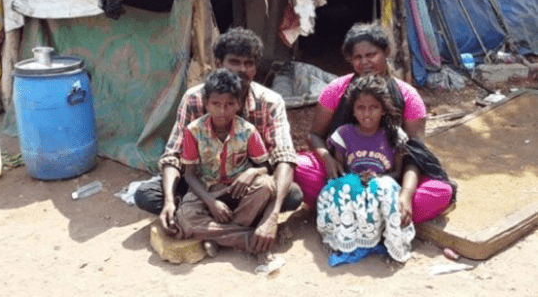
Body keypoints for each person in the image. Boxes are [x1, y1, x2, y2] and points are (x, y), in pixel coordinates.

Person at [134, 27, 303, 254]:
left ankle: (210, 231)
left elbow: (283, 158)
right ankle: (242, 234)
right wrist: (169, 202)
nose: (242, 70)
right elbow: (174, 155)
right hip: (203, 184)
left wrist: (272, 215)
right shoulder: (195, 98)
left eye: (249, 63)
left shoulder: (270, 102)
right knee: (148, 196)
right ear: (218, 62)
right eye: (235, 62)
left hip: (246, 187)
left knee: (290, 196)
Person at [294, 21, 454, 226]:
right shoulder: (336, 89)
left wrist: (405, 194)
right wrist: (328, 160)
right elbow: (314, 135)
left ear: (386, 52)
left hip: (390, 180)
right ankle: (382, 219)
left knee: (440, 192)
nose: (365, 62)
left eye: (371, 55)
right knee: (298, 166)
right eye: (358, 57)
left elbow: (415, 155)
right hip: (343, 176)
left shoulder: (408, 97)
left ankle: (347, 215)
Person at [174, 68, 274, 254]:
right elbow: (189, 175)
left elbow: (265, 166)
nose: (222, 111)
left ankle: (215, 236)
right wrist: (211, 202)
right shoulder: (193, 131)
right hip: (207, 190)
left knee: (266, 186)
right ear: (206, 104)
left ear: (238, 104)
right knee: (184, 215)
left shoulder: (247, 131)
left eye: (229, 104)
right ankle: (246, 238)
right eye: (216, 104)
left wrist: (252, 172)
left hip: (238, 191)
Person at [316, 74, 415, 263]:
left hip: (379, 189)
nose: (367, 114)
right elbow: (341, 170)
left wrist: (377, 177)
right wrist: (357, 179)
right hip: (354, 190)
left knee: (386, 187)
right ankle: (347, 240)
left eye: (374, 108)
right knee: (344, 186)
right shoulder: (343, 134)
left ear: (383, 110)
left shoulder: (395, 135)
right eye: (360, 108)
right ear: (352, 110)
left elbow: (396, 173)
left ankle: (389, 241)